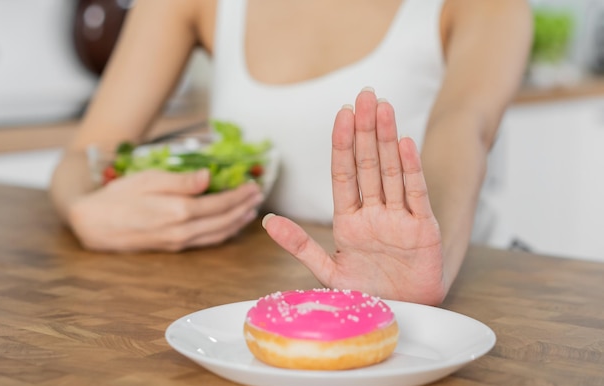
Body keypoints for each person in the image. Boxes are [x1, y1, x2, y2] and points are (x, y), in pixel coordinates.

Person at [49, 0, 532, 305]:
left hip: (462, 285)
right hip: (280, 291)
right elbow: (85, 155)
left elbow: (463, 130)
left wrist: (429, 265)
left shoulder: (486, 7)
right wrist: (83, 212)